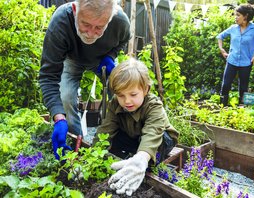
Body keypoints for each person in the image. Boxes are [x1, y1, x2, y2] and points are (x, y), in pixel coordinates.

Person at [39, 0, 131, 159]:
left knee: (122, 93)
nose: (90, 33)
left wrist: (110, 57)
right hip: (72, 59)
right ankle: (75, 145)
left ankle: (122, 143)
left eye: (99, 28)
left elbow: (123, 40)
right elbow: (48, 76)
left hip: (102, 60)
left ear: (110, 18)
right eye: (85, 24)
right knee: (65, 98)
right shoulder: (61, 22)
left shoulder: (120, 21)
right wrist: (58, 117)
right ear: (75, 10)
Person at [92, 58, 179, 196]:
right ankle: (130, 158)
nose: (127, 101)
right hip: (133, 135)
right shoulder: (116, 103)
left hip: (160, 139)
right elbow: (106, 129)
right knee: (113, 140)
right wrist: (93, 155)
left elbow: (152, 132)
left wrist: (142, 159)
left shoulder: (153, 105)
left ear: (145, 90)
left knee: (153, 148)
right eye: (121, 95)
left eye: (133, 94)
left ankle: (141, 162)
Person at [217, 4, 254, 106]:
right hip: (231, 61)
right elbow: (220, 36)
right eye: (235, 15)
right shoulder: (233, 28)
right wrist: (222, 50)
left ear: (245, 16)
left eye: (238, 15)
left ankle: (242, 112)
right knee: (225, 86)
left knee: (243, 88)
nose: (236, 17)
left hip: (246, 63)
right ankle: (222, 109)